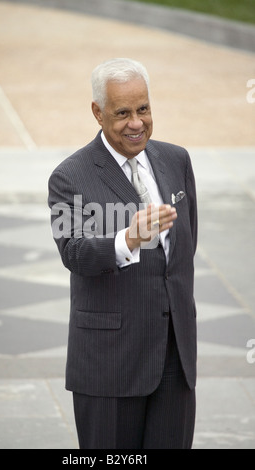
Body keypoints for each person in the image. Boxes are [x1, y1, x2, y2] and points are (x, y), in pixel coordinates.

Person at [48, 58, 198, 449]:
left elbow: (184, 250)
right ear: (98, 113)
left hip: (174, 360)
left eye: (144, 109)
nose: (137, 122)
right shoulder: (69, 176)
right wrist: (127, 240)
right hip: (109, 364)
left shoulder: (176, 160)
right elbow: (73, 250)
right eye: (123, 113)